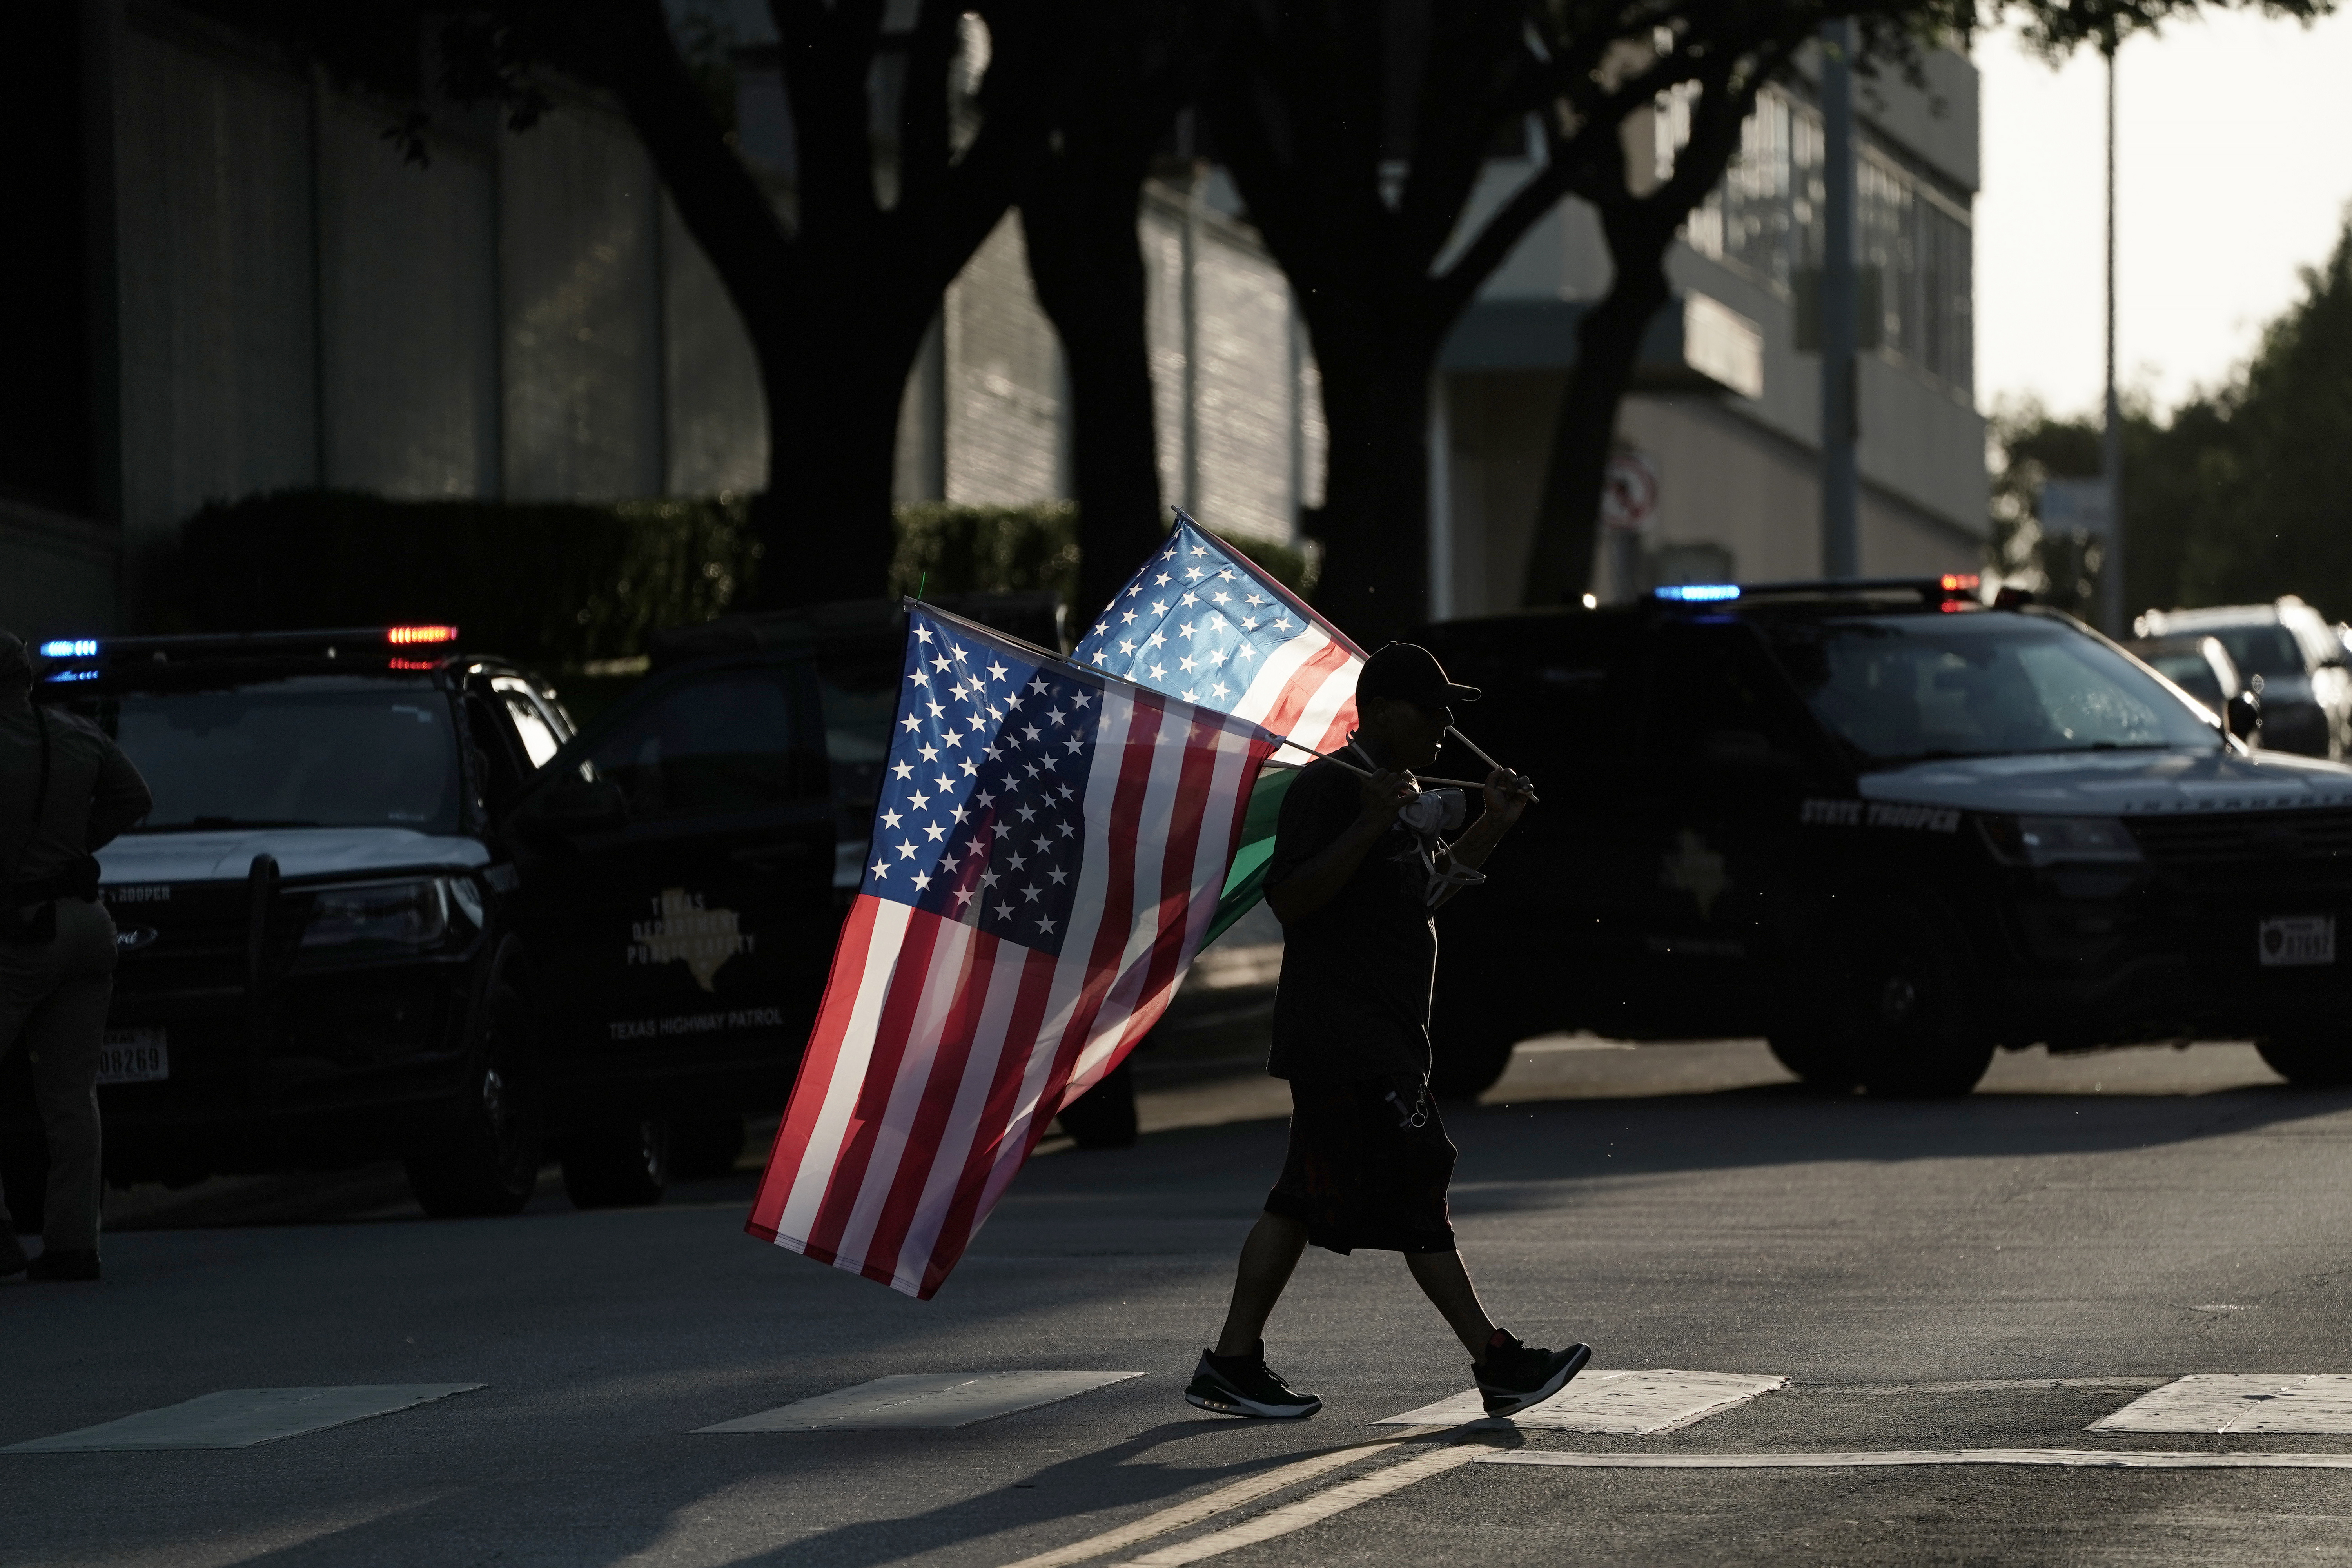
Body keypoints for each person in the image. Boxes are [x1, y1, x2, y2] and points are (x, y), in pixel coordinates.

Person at [1186, 641, 1589, 1419]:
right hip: (1348, 1036)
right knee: (1416, 1180)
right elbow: (1294, 900)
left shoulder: (1390, 793)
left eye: (1449, 710)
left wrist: (1492, 827)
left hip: (1380, 1032)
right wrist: (1369, 821)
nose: (1445, 724)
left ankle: (1233, 1359)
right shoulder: (1332, 788)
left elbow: (1423, 894)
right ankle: (1497, 1359)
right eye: (1431, 708)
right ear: (1384, 711)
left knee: (1301, 1197)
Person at [0, 632, 152, 1282]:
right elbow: (135, 798)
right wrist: (74, 849)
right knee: (71, 1093)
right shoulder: (76, 733)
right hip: (88, 927)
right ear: (26, 677)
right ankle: (73, 1245)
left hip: (16, 932)